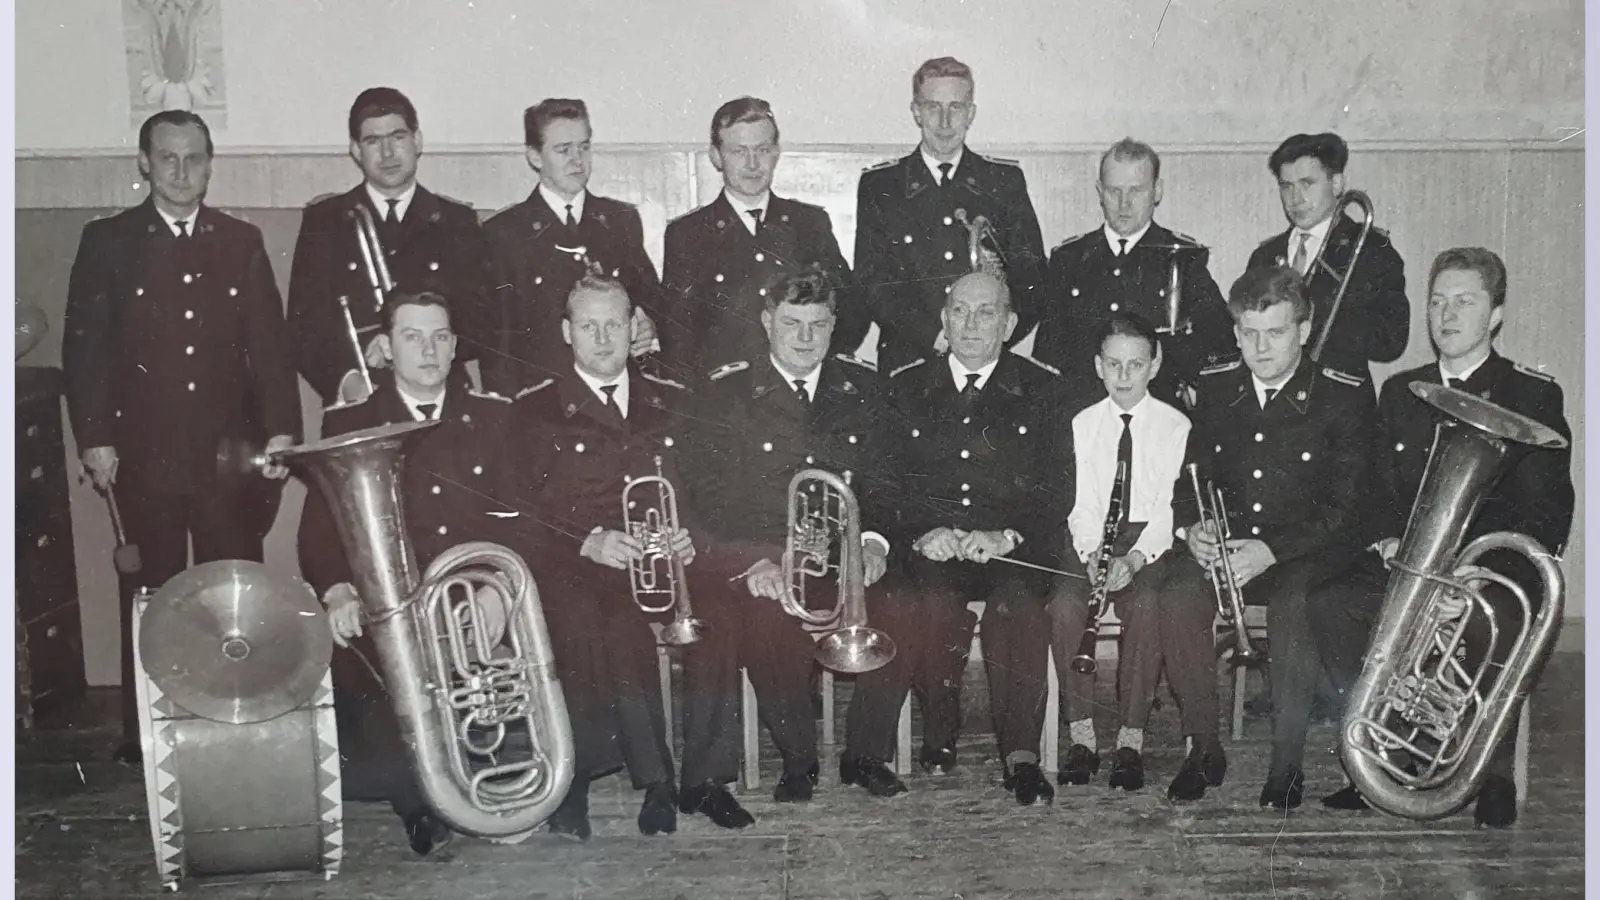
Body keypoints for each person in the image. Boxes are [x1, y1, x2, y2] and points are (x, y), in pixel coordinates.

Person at [62, 110, 299, 768]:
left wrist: (281, 430)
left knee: (234, 590)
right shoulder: (107, 242)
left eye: (194, 158)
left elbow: (270, 351)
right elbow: (86, 353)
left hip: (230, 459)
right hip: (145, 457)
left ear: (209, 163)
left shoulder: (240, 240)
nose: (181, 171)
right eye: (167, 158)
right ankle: (147, 730)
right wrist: (95, 438)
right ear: (144, 163)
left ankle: (239, 713)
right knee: (153, 594)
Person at [1307, 247, 1573, 828]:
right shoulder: (1403, 391)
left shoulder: (1532, 395)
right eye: (1437, 302)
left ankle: (1490, 771)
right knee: (1329, 604)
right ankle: (1379, 751)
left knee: (1489, 618)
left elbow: (1547, 508)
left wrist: (1473, 573)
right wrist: (1387, 541)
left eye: (1464, 301)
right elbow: (1375, 493)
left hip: (1486, 572)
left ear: (1495, 315)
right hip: (1409, 563)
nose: (1446, 314)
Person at [296, 290, 521, 856]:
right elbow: (318, 529)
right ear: (385, 348)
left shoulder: (495, 415)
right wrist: (338, 589)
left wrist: (498, 588)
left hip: (471, 593)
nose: (428, 349)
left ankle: (486, 776)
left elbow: (524, 518)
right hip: (384, 599)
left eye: (440, 337)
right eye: (412, 337)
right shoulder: (349, 419)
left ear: (455, 347)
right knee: (359, 663)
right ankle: (418, 803)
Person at [673, 267, 895, 826]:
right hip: (759, 552)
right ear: (767, 321)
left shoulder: (863, 388)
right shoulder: (725, 393)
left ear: (834, 326)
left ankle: (865, 756)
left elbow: (889, 482)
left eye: (818, 325)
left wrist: (873, 543)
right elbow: (708, 497)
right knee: (768, 621)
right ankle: (799, 759)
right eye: (791, 323)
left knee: (902, 606)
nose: (804, 338)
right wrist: (754, 562)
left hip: (841, 551)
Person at [1166, 265, 1374, 810]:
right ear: (1235, 331)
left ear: (1304, 330)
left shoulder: (1341, 395)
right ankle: (1203, 748)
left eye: (1276, 333)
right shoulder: (1216, 386)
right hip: (1230, 548)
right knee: (1175, 592)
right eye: (1249, 333)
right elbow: (1190, 479)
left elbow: (1349, 511)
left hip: (1302, 553)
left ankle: (1286, 765)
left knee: (1292, 603)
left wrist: (1270, 550)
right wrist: (1194, 529)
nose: (1261, 347)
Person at [856, 271, 1066, 806]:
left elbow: (1056, 489)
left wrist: (1006, 535)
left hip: (1010, 545)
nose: (972, 323)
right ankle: (925, 734)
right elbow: (878, 484)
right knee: (924, 599)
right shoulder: (903, 387)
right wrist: (922, 533)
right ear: (944, 319)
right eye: (960, 310)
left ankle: (1021, 756)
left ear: (1010, 324)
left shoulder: (1042, 389)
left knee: (1018, 607)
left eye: (987, 311)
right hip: (931, 544)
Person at [510, 270, 690, 840]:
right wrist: (587, 540)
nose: (604, 337)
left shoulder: (672, 400)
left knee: (622, 618)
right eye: (589, 326)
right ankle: (587, 778)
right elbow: (521, 511)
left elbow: (706, 492)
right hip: (574, 561)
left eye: (614, 323)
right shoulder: (535, 411)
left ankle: (653, 781)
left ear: (633, 326)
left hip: (660, 560)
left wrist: (691, 537)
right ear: (567, 332)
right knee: (590, 619)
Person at [1047, 314, 1224, 802]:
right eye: (1114, 364)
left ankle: (1130, 740)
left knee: (1146, 609)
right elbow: (1079, 504)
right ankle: (1081, 737)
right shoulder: (1082, 424)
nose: (1124, 375)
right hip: (1089, 538)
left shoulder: (1175, 425)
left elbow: (1172, 511)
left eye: (1136, 364)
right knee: (1064, 607)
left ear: (1155, 364)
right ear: (1098, 367)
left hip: (1150, 542)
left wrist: (1136, 558)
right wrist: (1091, 556)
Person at [286, 87, 493, 407]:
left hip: (440, 399)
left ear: (417, 141)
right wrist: (346, 381)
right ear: (355, 150)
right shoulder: (324, 222)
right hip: (360, 399)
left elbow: (479, 323)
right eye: (373, 141)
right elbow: (304, 329)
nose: (387, 153)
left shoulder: (457, 222)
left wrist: (414, 349)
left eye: (397, 137)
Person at [848, 57, 1047, 376]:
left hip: (988, 364)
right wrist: (932, 335)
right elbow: (874, 283)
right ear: (915, 111)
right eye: (932, 107)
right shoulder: (882, 186)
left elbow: (1032, 280)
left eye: (955, 107)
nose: (944, 122)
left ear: (971, 113)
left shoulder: (1002, 182)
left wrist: (990, 339)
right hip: (910, 362)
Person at [659, 97, 851, 384]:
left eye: (762, 150)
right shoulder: (689, 234)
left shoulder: (808, 224)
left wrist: (812, 375)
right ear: (715, 156)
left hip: (798, 390)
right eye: (739, 151)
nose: (752, 164)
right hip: (725, 399)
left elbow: (848, 307)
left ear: (776, 153)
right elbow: (677, 335)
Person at [1032, 139, 1234, 410]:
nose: (1124, 204)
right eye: (1114, 191)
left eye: (1136, 191)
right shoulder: (1070, 260)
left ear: (1157, 191)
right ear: (1099, 192)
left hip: (1160, 415)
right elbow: (1049, 357)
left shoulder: (1183, 259)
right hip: (1083, 415)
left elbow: (1218, 348)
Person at [480, 99, 664, 396]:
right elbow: (499, 342)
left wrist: (648, 325)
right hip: (545, 398)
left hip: (617, 391)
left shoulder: (620, 221)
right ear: (535, 157)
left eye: (584, 147)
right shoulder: (504, 233)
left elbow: (653, 300)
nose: (577, 160)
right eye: (564, 150)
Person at [1246, 132, 1408, 387]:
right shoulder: (1265, 255)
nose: (1295, 198)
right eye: (1286, 186)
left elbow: (1391, 342)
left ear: (1336, 184)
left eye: (1307, 183)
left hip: (1340, 403)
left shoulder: (1372, 250)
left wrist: (1312, 316)